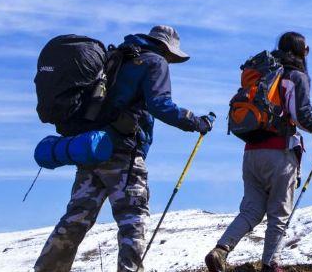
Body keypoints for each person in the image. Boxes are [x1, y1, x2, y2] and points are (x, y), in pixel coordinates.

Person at [35, 25, 214, 272]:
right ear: (166, 48)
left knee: (76, 218)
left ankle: (47, 269)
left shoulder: (121, 57)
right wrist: (196, 121)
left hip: (93, 148)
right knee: (133, 219)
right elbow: (161, 105)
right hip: (124, 153)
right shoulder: (154, 62)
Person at [205, 32, 312, 272]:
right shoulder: (296, 77)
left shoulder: (264, 74)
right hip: (280, 152)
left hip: (251, 151)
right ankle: (271, 265)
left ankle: (221, 250)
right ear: (302, 51)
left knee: (251, 210)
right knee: (279, 213)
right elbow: (303, 117)